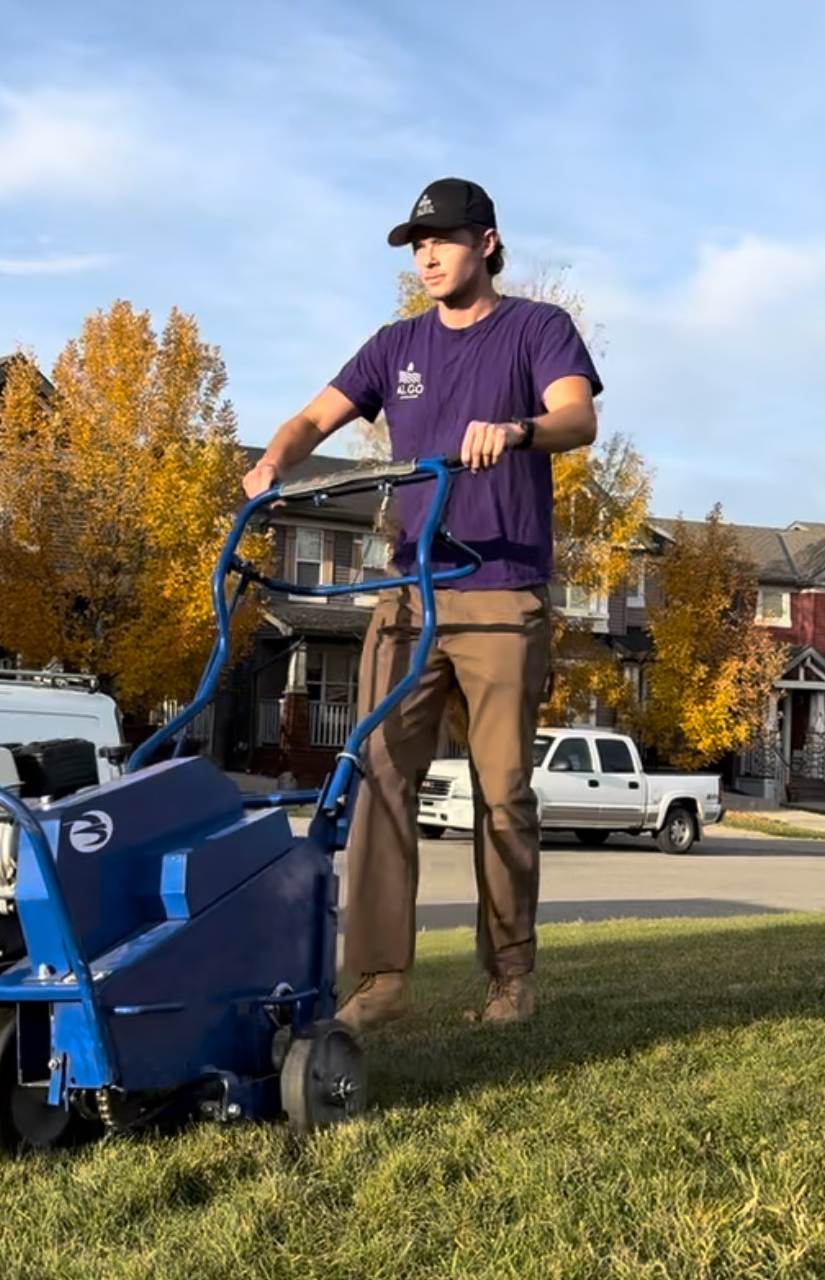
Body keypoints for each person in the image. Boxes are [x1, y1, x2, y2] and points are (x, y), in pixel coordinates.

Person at [242, 177, 601, 1032]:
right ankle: (378, 982)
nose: (427, 255)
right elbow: (311, 417)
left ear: (485, 241)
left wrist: (516, 430)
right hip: (406, 596)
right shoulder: (393, 345)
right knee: (376, 778)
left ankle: (509, 978)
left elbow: (576, 417)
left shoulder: (535, 329)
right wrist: (271, 465)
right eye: (415, 243)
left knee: (503, 790)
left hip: (502, 593)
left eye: (441, 239)